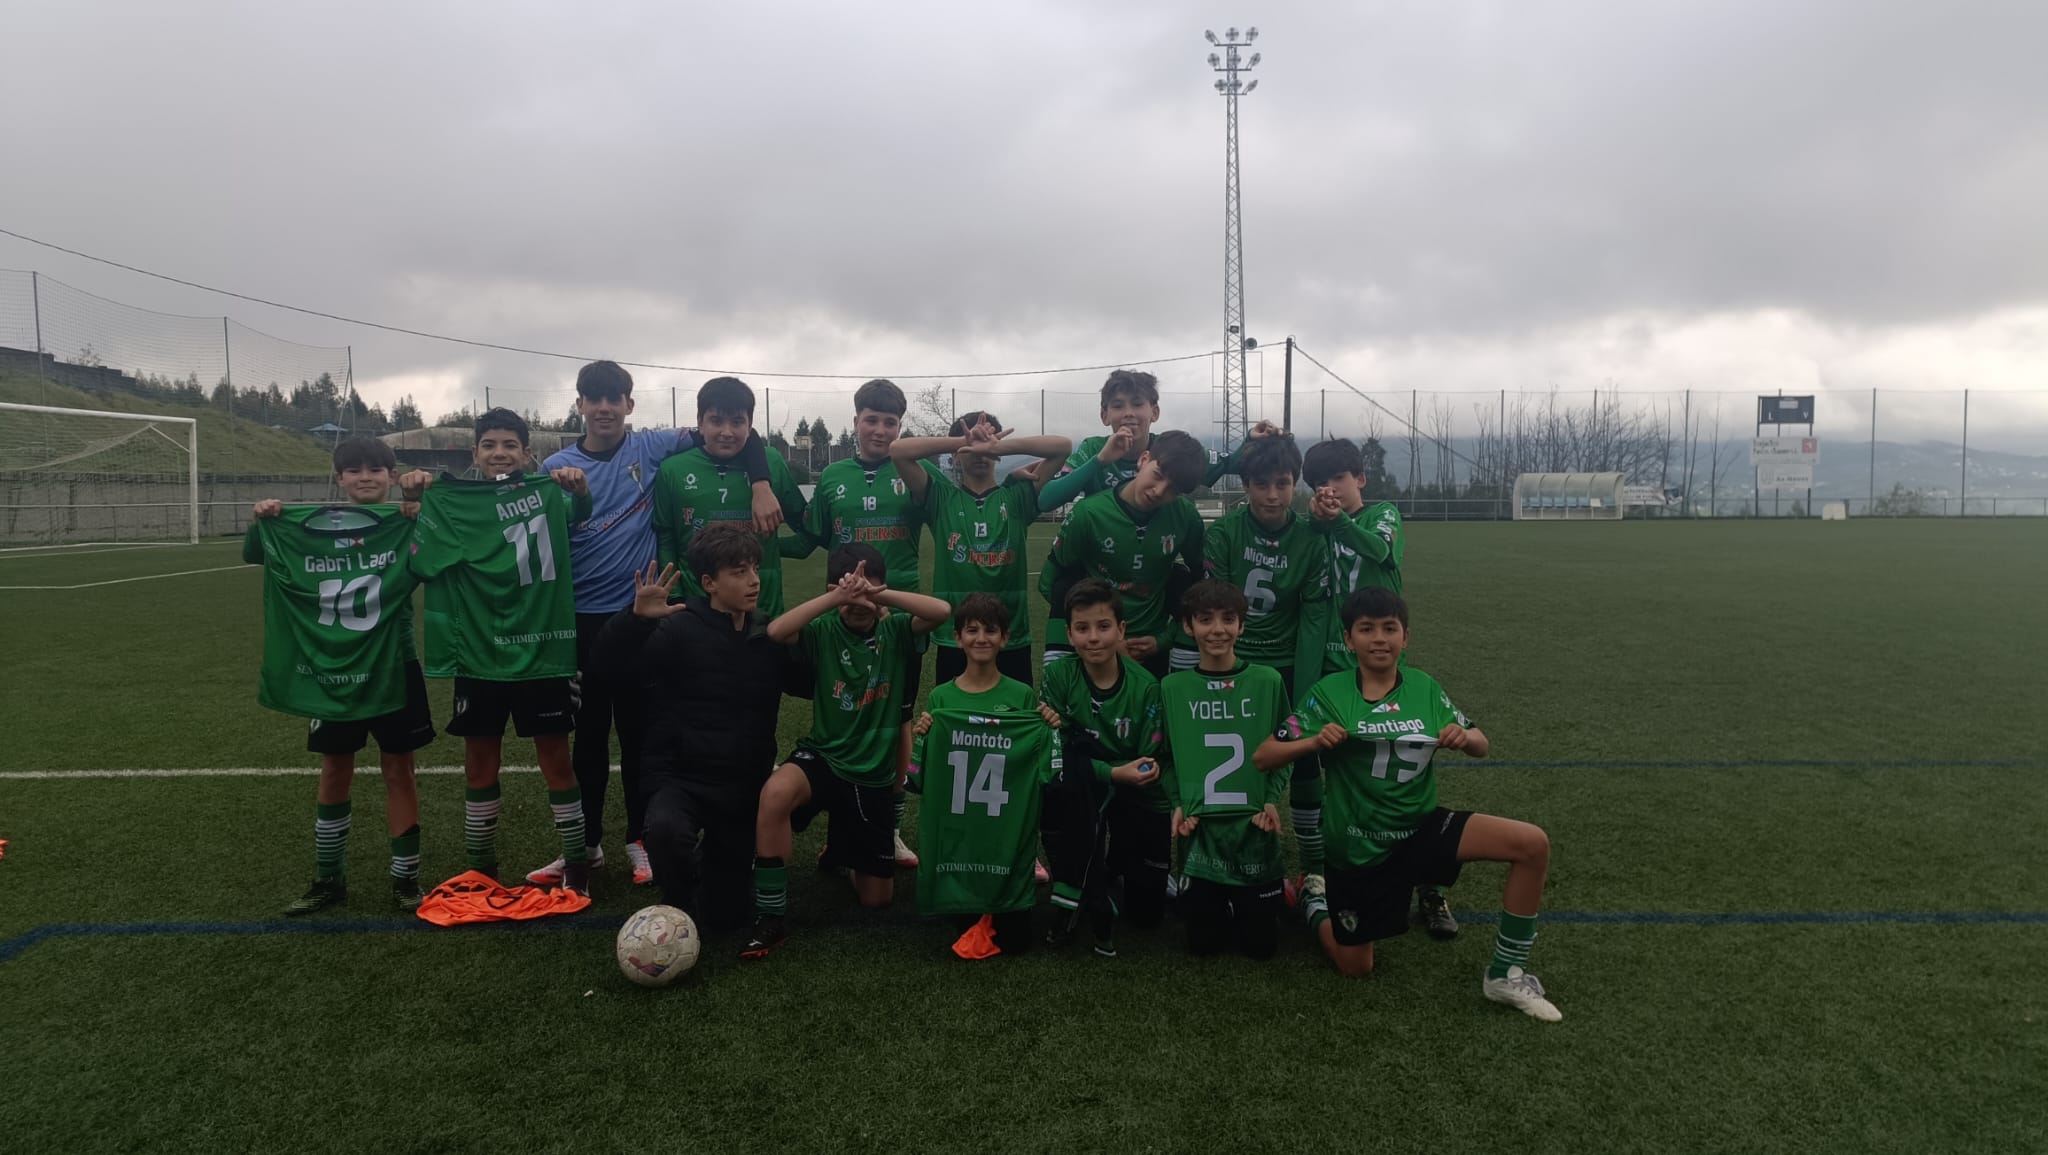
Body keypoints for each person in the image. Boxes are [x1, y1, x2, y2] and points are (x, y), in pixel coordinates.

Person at [529, 359, 779, 890]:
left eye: (613, 398)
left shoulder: (652, 446)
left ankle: (638, 840)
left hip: (643, 617)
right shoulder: (556, 465)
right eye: (594, 399)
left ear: (629, 405)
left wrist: (760, 482)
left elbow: (735, 431)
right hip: (580, 620)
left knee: (641, 734)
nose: (604, 408)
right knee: (588, 739)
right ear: (580, 405)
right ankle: (584, 846)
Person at [1256, 588, 1562, 1021]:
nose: (1379, 638)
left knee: (1531, 843)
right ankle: (1314, 900)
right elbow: (1264, 756)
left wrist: (1464, 737)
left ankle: (1505, 974)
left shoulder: (1424, 687)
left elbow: (1481, 744)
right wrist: (1313, 742)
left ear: (1406, 637)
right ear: (1348, 640)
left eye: (1389, 628)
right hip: (1359, 847)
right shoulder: (1328, 693)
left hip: (1420, 829)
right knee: (1355, 967)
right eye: (1367, 629)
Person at [400, 408, 596, 893]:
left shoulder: (549, 493)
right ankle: (480, 867)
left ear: (528, 454)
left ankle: (577, 866)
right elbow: (420, 563)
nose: (499, 453)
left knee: (556, 758)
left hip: (542, 648)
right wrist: (414, 499)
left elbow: (580, 512)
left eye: (510, 445)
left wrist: (579, 489)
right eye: (489, 445)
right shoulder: (452, 503)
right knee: (479, 762)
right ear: (475, 454)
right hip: (478, 650)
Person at [246, 436, 432, 915]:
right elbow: (257, 553)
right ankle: (328, 878)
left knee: (399, 771)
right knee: (334, 769)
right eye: (354, 470)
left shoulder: (405, 521)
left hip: (393, 665)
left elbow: (436, 557)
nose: (365, 477)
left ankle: (406, 879)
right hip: (331, 668)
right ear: (339, 479)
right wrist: (262, 519)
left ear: (392, 477)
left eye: (375, 469)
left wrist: (422, 512)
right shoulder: (310, 527)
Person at [742, 544, 950, 959]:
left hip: (871, 774)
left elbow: (941, 611)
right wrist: (836, 598)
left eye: (866, 591)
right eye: (847, 592)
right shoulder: (823, 631)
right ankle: (771, 916)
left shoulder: (896, 631)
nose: (857, 603)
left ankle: (843, 852)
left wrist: (877, 594)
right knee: (775, 793)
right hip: (824, 757)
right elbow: (777, 632)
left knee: (877, 899)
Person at [590, 524, 786, 933]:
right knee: (666, 833)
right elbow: (606, 668)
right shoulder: (678, 628)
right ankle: (677, 901)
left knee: (725, 919)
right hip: (680, 778)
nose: (754, 580)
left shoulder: (767, 633)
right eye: (739, 572)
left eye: (755, 568)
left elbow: (811, 680)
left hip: (740, 786)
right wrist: (633, 621)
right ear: (709, 583)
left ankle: (715, 881)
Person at [1299, 438, 1453, 938]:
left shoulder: (1380, 514)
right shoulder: (1318, 526)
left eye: (1338, 479)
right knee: (1340, 773)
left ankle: (1430, 886)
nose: (1330, 489)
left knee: (1400, 775)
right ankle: (1326, 870)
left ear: (1360, 479)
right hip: (1335, 664)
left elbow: (1380, 550)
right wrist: (1316, 522)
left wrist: (1337, 521)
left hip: (1383, 665)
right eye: (1320, 484)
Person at [1030, 368, 1277, 669]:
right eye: (1118, 405)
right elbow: (1046, 500)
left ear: (1155, 412)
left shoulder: (1171, 453)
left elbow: (1226, 464)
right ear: (1105, 415)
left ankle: (1185, 666)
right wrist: (1100, 460)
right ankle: (1063, 664)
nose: (1129, 413)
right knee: (1067, 580)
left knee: (1183, 579)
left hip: (1150, 573)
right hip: (1101, 571)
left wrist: (1251, 439)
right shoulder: (1095, 450)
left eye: (1137, 404)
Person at [786, 379, 925, 869]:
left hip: (899, 621)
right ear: (856, 421)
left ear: (900, 427)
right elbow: (810, 540)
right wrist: (755, 543)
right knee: (841, 714)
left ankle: (891, 829)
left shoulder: (914, 470)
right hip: (844, 619)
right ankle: (843, 825)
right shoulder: (832, 476)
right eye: (872, 420)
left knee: (898, 721)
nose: (880, 430)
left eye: (890, 422)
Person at [1200, 433, 1332, 903]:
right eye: (1262, 484)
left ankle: (1314, 868)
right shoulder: (1223, 533)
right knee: (1230, 761)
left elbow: (1313, 622)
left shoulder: (1312, 538)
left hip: (1288, 666)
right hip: (1238, 664)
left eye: (1283, 483)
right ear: (1246, 484)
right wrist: (1226, 671)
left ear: (1296, 482)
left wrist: (1306, 694)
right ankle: (1225, 859)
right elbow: (1216, 611)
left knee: (1304, 761)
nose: (1273, 495)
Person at [906, 593, 1075, 958]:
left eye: (990, 631)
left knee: (1015, 941)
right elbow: (921, 773)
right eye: (972, 630)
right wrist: (923, 735)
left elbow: (1041, 762)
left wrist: (1049, 726)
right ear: (957, 638)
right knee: (964, 921)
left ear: (1005, 638)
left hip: (1005, 825)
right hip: (961, 826)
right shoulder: (941, 699)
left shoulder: (1022, 696)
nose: (981, 638)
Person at [1157, 579, 1292, 960]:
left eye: (1228, 619)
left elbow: (1286, 750)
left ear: (1242, 626)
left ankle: (1260, 900)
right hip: (1200, 835)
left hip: (1254, 831)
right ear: (1188, 626)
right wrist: (1178, 803)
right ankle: (1224, 902)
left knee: (1261, 949)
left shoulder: (1268, 681)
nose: (1217, 629)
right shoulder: (1171, 687)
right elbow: (1162, 757)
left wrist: (1270, 800)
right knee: (1204, 947)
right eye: (1205, 619)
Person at [890, 411, 1070, 688]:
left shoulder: (1018, 495)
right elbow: (899, 451)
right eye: (970, 447)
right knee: (953, 711)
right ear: (955, 456)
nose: (979, 451)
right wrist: (963, 442)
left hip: (1009, 634)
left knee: (1016, 711)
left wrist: (998, 446)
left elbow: (1062, 447)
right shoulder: (940, 498)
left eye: (987, 444)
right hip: (956, 636)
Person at [1037, 579, 1166, 957]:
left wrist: (1122, 776)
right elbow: (1054, 751)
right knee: (1058, 788)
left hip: (1133, 790)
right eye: (1082, 628)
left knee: (1145, 915)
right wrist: (1109, 773)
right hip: (1085, 784)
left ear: (1121, 630)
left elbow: (1147, 762)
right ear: (1069, 634)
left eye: (1103, 626)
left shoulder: (1146, 686)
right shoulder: (1059, 676)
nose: (1093, 637)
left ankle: (1114, 867)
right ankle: (1076, 883)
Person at [1039, 429, 1209, 681]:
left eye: (1173, 490)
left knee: (1184, 580)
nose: (1159, 491)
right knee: (1067, 583)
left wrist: (1163, 640)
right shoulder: (1088, 513)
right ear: (1144, 459)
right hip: (1097, 641)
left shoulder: (1186, 517)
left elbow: (1200, 584)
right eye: (1158, 475)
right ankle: (1055, 681)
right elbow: (1049, 584)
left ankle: (1185, 684)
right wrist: (1101, 633)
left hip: (1150, 643)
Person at [650, 375, 808, 616]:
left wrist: (772, 548)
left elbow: (808, 530)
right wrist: (675, 597)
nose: (727, 432)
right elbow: (666, 539)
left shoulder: (772, 463)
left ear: (750, 424)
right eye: (716, 421)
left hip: (763, 612)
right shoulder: (672, 469)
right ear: (700, 422)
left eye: (737, 422)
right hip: (697, 611)